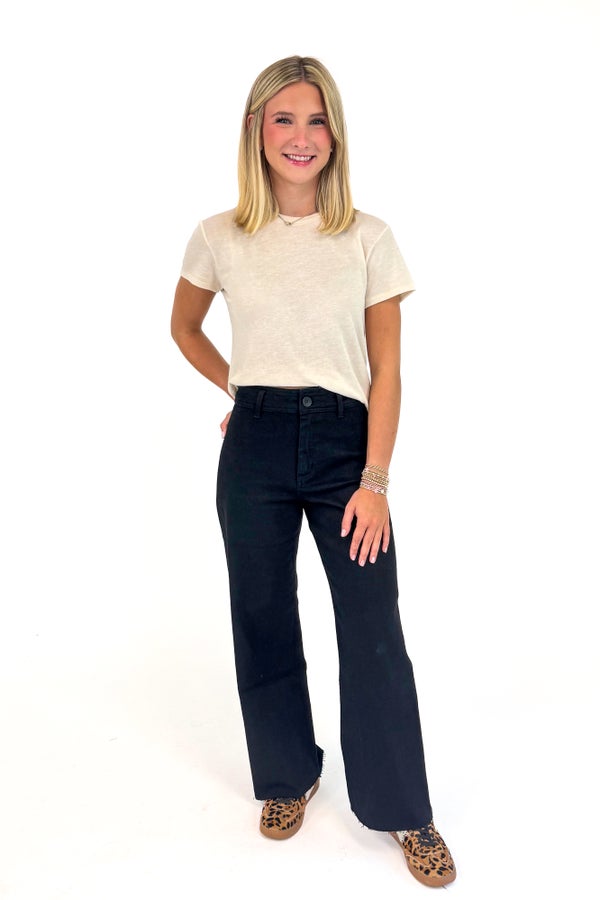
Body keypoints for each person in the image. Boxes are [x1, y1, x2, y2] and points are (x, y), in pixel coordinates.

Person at [170, 55, 456, 888]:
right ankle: (286, 777)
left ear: (335, 135)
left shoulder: (368, 237)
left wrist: (376, 481)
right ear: (257, 130)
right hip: (253, 443)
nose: (301, 137)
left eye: (316, 120)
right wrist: (241, 384)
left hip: (344, 447)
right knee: (261, 615)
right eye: (283, 119)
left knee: (374, 633)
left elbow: (388, 372)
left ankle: (405, 810)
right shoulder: (219, 235)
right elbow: (185, 327)